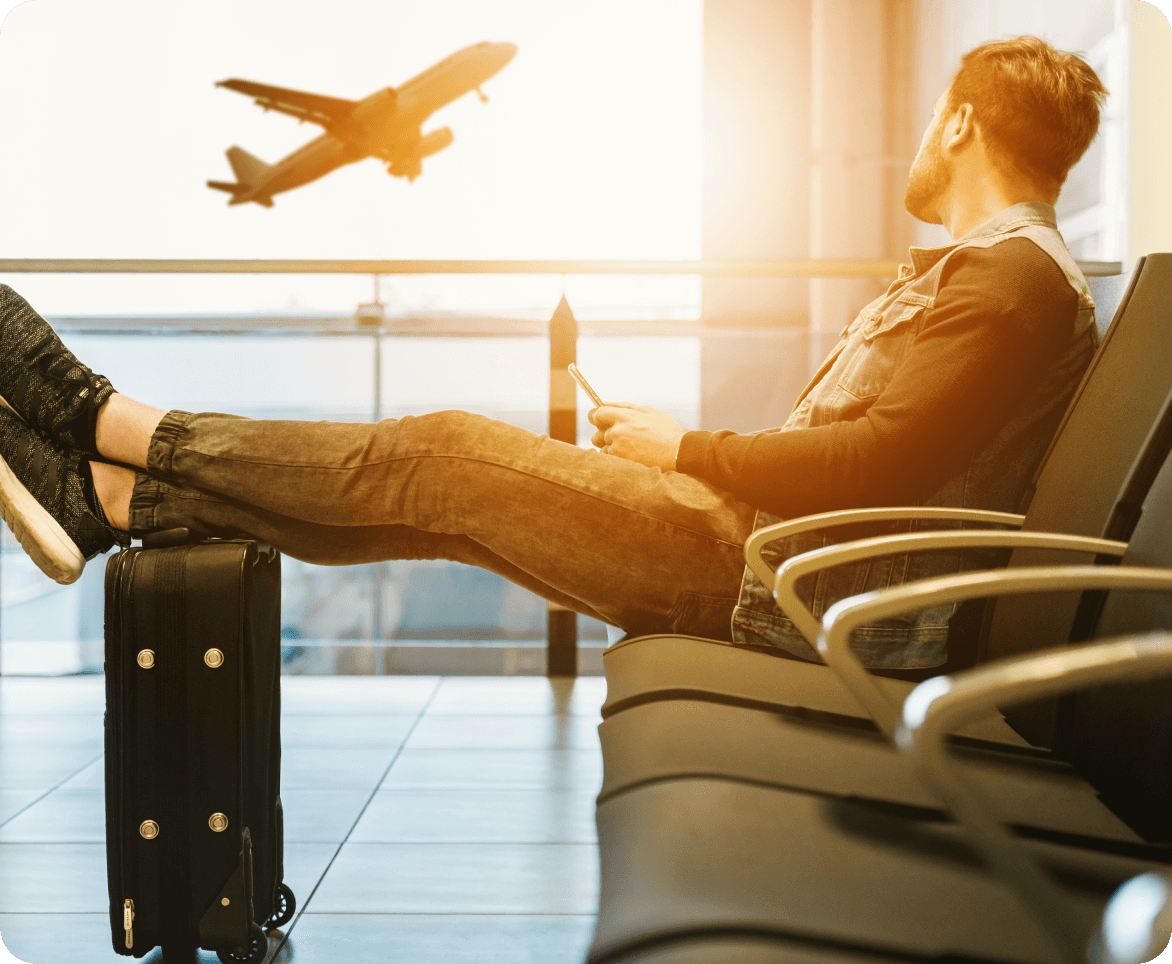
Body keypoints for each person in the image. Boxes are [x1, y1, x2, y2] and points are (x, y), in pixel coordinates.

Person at [0, 36, 1107, 670]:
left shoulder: (1006, 280)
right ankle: (104, 497)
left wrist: (691, 449)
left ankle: (96, 417)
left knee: (435, 454)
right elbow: (880, 458)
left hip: (772, 580)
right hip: (776, 564)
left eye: (929, 121)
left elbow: (875, 467)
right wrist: (684, 453)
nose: (919, 139)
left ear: (960, 125)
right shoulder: (1006, 277)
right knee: (437, 506)